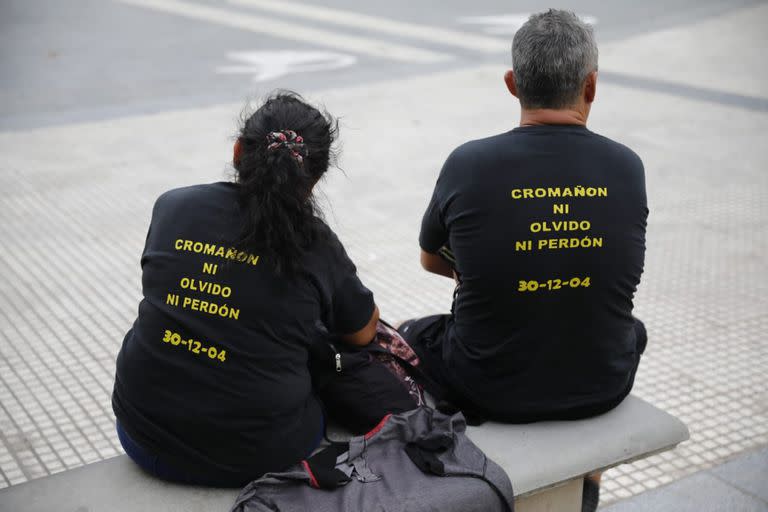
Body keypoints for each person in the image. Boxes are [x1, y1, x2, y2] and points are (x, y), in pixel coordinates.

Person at [398, 10, 647, 510]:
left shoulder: (468, 162)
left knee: (409, 335)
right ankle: (588, 483)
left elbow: (429, 259)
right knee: (632, 328)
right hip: (603, 381)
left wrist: (492, 271)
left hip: (488, 389)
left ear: (512, 84)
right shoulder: (627, 165)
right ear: (591, 87)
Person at [112, 92, 411, 487]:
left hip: (143, 434)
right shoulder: (316, 243)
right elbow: (361, 332)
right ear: (316, 179)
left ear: (237, 150)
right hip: (258, 453)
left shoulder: (173, 207)